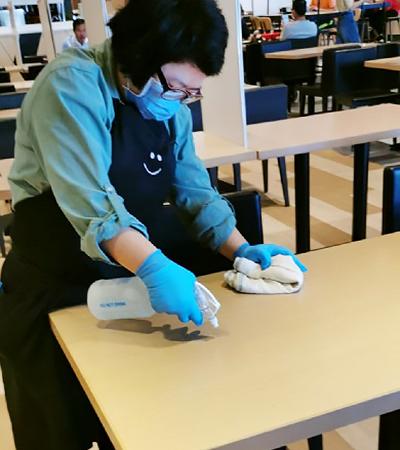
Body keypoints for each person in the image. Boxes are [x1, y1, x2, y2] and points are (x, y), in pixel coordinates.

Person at [0, 0, 307, 449]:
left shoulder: (169, 107)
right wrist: (156, 267)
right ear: (138, 57)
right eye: (177, 88)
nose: (181, 102)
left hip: (122, 290)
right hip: (51, 290)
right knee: (58, 429)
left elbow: (193, 191)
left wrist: (241, 249)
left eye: (192, 93)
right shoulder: (71, 86)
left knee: (134, 426)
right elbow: (92, 203)